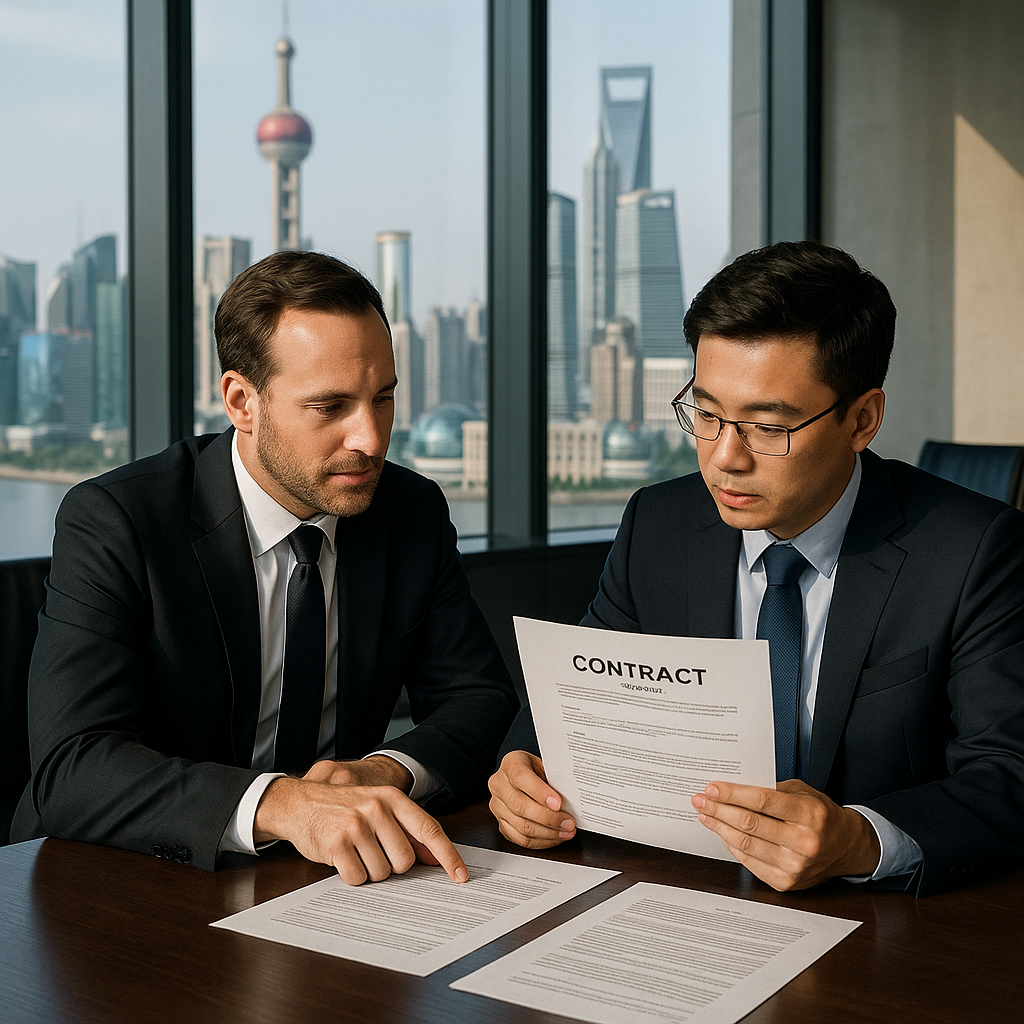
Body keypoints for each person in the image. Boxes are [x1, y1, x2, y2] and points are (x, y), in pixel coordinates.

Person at [489, 240, 1024, 897]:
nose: (723, 459)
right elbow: (572, 699)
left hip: (881, 929)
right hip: (679, 896)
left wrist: (860, 838)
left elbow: (1008, 774)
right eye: (706, 414)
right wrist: (522, 766)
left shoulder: (973, 550)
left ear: (863, 420)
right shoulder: (658, 523)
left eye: (768, 428)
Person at [13, 250, 518, 885]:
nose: (370, 437)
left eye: (382, 398)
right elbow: (72, 767)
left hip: (333, 878)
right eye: (330, 407)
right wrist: (282, 804)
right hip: (121, 880)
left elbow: (478, 697)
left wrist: (382, 771)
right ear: (242, 402)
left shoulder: (408, 511)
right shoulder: (118, 521)